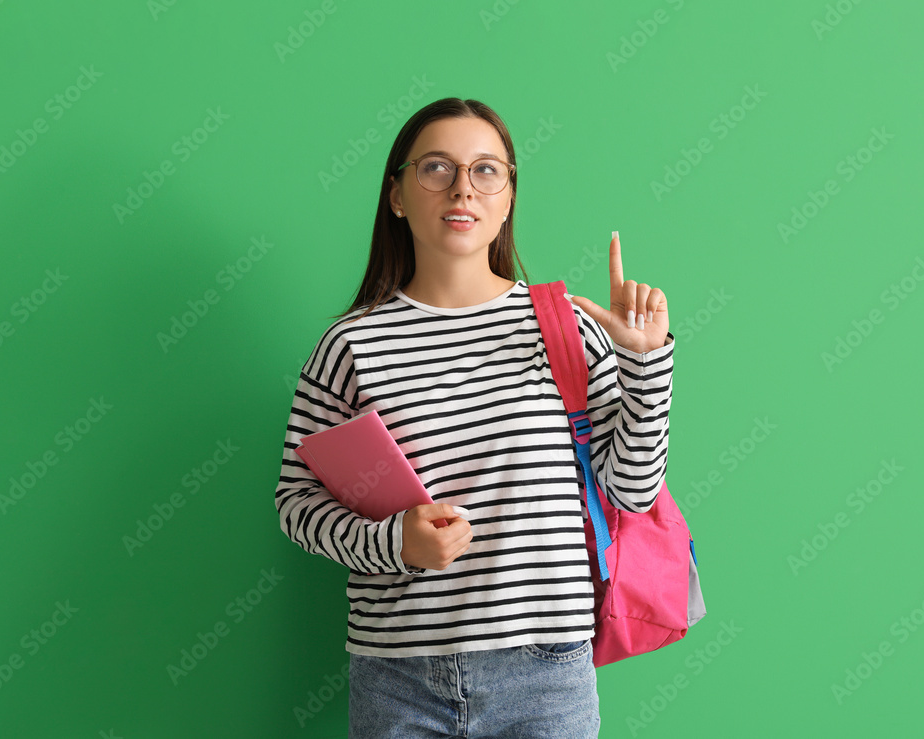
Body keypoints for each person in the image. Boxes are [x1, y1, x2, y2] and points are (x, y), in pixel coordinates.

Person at [274, 97, 674, 737]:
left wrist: (646, 366)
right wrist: (394, 541)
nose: (463, 187)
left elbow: (631, 490)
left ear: (509, 195)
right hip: (396, 677)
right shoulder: (349, 346)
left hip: (547, 673)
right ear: (397, 194)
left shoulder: (565, 326)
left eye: (487, 170)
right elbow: (297, 503)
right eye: (436, 167)